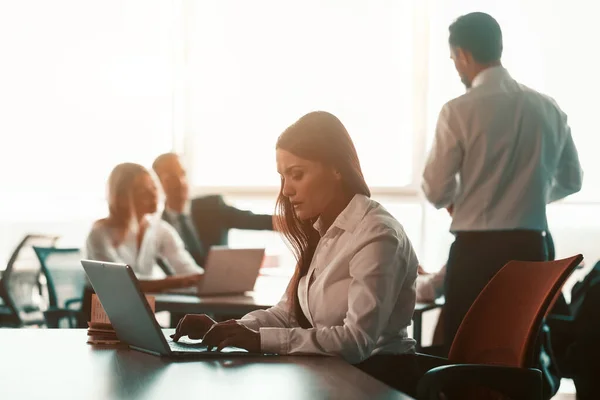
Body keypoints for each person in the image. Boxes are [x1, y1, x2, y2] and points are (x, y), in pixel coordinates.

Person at [169, 111, 429, 394]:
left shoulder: (377, 234)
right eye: (282, 177)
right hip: (332, 375)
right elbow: (286, 314)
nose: (286, 190)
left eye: (297, 174)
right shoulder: (323, 232)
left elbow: (356, 342)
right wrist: (228, 329)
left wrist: (258, 340)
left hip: (378, 381)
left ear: (336, 169)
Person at [422, 12, 583, 350]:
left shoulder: (458, 110)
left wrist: (461, 199)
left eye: (454, 59)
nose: (456, 67)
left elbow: (435, 190)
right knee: (521, 348)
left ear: (463, 55)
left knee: (467, 347)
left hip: (475, 252)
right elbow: (571, 180)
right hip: (532, 250)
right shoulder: (548, 108)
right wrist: (529, 196)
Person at [85, 162, 204, 292]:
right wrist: (175, 282)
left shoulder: (161, 229)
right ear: (122, 197)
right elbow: (120, 283)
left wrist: (208, 279)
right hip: (102, 310)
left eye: (153, 188)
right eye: (143, 190)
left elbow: (188, 269)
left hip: (147, 308)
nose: (154, 195)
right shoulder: (100, 234)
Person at [152, 153, 274, 267]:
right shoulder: (157, 227)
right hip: (181, 286)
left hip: (223, 281)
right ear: (159, 183)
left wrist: (290, 221)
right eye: (172, 177)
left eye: (183, 174)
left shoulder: (212, 207)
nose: (180, 182)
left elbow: (256, 220)